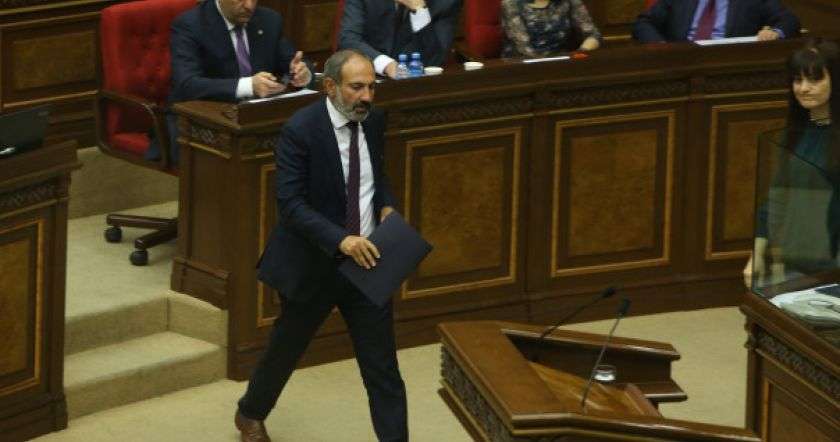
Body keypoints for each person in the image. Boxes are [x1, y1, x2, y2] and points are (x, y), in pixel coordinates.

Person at [235, 49, 407, 442]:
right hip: (315, 262)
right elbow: (291, 204)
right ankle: (251, 412)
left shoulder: (373, 120)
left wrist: (386, 206)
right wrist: (341, 240)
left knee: (383, 369)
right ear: (330, 86)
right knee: (287, 347)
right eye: (357, 87)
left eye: (372, 87)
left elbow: (376, 175)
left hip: (367, 263)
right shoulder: (301, 129)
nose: (366, 97)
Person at [153, 0, 312, 164]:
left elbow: (293, 61)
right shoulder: (190, 24)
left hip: (256, 120)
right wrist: (249, 86)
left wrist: (302, 73)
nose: (249, 6)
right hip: (200, 123)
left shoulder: (269, 20)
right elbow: (187, 84)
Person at [744, 40, 840, 287]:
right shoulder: (794, 134)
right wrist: (756, 255)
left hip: (831, 267)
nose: (804, 88)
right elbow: (777, 197)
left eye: (815, 79)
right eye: (798, 80)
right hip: (793, 260)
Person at [338, 0, 462, 78]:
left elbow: (435, 59)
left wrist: (419, 10)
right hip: (368, 78)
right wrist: (387, 65)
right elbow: (348, 40)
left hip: (417, 85)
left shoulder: (446, 3)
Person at [633, 0, 800, 43]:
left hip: (729, 65)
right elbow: (644, 23)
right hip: (680, 61)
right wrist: (660, 46)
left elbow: (789, 19)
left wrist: (775, 32)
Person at [500, 0, 601, 58]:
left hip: (562, 62)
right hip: (521, 65)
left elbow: (593, 34)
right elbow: (523, 46)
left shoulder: (569, 1)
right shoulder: (511, 3)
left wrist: (580, 52)